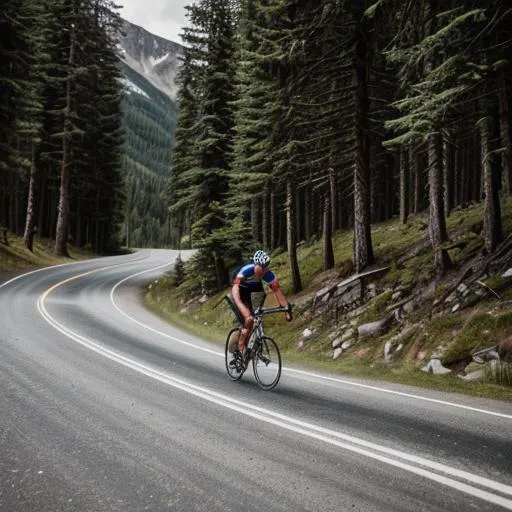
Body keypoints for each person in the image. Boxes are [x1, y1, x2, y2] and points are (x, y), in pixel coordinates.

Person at [229, 250, 292, 354]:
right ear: (256, 265)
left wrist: (286, 309)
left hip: (253, 293)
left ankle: (251, 343)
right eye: (262, 267)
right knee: (248, 318)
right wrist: (242, 307)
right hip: (239, 291)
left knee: (256, 318)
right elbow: (236, 291)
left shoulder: (267, 274)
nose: (264, 270)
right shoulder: (247, 270)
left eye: (266, 267)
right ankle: (240, 344)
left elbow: (277, 291)